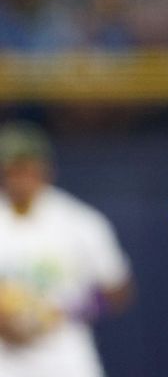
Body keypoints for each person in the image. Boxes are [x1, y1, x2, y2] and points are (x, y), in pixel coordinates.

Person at [0, 121, 134, 377]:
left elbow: (118, 289)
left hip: (65, 359)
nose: (21, 177)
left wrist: (69, 311)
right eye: (13, 168)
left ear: (44, 168)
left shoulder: (79, 222)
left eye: (27, 167)